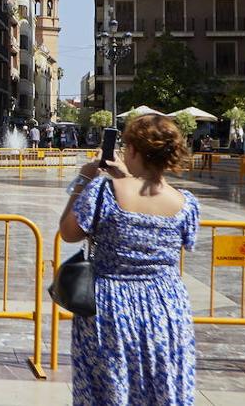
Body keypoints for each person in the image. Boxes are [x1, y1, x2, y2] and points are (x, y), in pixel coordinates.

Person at [59, 114, 200, 405]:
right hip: (166, 305)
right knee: (160, 384)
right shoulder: (187, 203)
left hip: (111, 305)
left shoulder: (103, 192)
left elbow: (69, 232)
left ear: (134, 151)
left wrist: (85, 179)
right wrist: (127, 176)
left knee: (111, 386)